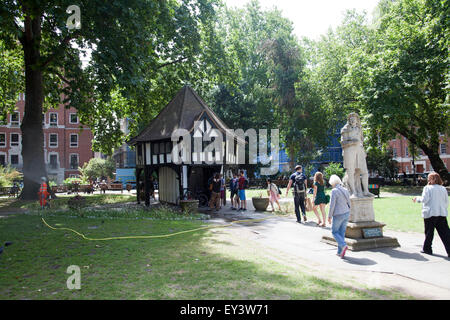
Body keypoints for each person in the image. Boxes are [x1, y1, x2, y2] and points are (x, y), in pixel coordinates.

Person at [413, 172, 450, 257]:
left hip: (430, 213)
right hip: (441, 213)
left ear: (433, 179)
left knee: (429, 232)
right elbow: (446, 202)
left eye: (429, 178)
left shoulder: (427, 188)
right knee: (445, 234)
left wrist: (417, 199)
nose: (428, 180)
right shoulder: (443, 189)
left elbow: (425, 199)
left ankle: (427, 249)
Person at [327, 174, 351, 258]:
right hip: (346, 213)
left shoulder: (334, 191)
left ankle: (343, 245)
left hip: (338, 214)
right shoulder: (345, 189)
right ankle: (340, 251)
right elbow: (349, 202)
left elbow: (332, 205)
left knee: (334, 232)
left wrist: (329, 216)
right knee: (341, 233)